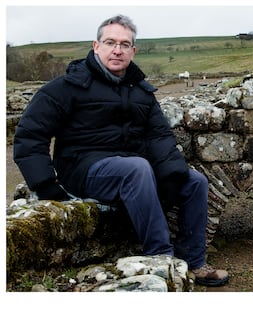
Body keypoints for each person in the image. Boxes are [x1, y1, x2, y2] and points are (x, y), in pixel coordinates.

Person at [13, 14, 229, 287]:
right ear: (96, 46)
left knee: (194, 181)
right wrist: (45, 185)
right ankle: (161, 258)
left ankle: (194, 262)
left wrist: (174, 174)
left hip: (130, 167)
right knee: (137, 168)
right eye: (110, 42)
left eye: (125, 44)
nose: (117, 49)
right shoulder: (66, 88)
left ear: (133, 50)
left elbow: (159, 135)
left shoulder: (141, 92)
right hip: (82, 168)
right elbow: (30, 134)